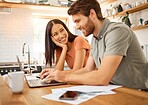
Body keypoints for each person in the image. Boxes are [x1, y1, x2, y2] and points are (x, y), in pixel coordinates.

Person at [40, 0, 148, 90]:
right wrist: (57, 74)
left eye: (78, 21)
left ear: (92, 14)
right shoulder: (95, 39)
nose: (76, 27)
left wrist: (63, 76)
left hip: (137, 92)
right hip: (115, 89)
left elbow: (102, 77)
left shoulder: (117, 31)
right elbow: (87, 69)